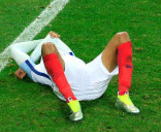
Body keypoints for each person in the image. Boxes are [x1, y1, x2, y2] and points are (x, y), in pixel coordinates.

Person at [9, 31, 140, 122]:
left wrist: (47, 39)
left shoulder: (64, 54)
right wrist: (44, 41)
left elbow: (52, 42)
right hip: (70, 88)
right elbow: (14, 48)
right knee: (47, 46)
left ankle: (123, 97)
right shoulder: (37, 71)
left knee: (122, 37)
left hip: (91, 77)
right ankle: (73, 104)